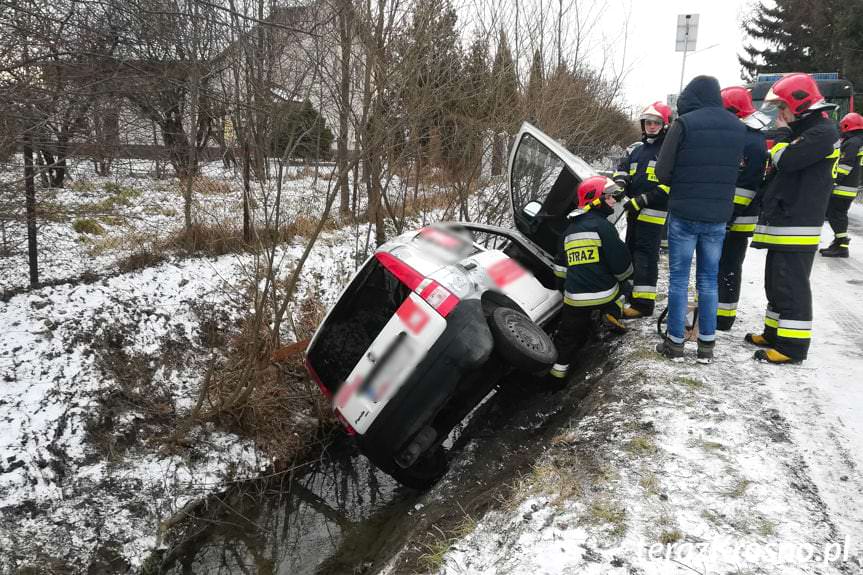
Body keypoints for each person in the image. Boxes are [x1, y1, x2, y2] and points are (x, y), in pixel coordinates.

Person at [746, 73, 840, 364]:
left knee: (792, 284)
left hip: (798, 221)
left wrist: (782, 138)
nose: (780, 114)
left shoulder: (822, 132)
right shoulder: (809, 130)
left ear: (799, 104)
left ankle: (792, 348)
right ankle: (774, 334)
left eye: (783, 107)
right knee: (776, 282)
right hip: (786, 220)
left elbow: (787, 161)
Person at [653, 75, 746, 363]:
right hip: (717, 217)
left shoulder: (684, 124)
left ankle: (676, 343)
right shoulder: (737, 127)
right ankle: (707, 345)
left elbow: (662, 172)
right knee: (708, 281)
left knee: (679, 280)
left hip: (684, 214)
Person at [549, 176, 633, 382]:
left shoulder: (567, 233)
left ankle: (555, 380)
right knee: (626, 283)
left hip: (574, 300)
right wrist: (626, 279)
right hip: (605, 294)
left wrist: (566, 291)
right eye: (610, 197)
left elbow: (560, 272)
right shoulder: (604, 227)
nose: (613, 201)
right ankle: (612, 311)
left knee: (567, 339)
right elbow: (621, 266)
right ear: (595, 199)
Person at [612, 101, 673, 319]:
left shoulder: (668, 151)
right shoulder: (637, 149)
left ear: (665, 125)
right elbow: (623, 170)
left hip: (653, 214)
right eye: (648, 122)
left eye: (656, 122)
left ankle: (644, 305)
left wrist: (642, 200)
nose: (652, 126)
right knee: (631, 254)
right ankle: (632, 295)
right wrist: (619, 186)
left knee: (645, 258)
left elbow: (669, 185)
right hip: (634, 213)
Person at [716, 86, 769, 330]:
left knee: (729, 264)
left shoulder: (751, 141)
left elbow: (746, 185)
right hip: (727, 213)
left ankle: (724, 316)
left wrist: (729, 215)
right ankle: (715, 309)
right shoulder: (741, 135)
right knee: (718, 263)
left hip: (738, 217)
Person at [820, 112, 863, 258]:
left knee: (836, 215)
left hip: (843, 187)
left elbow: (845, 165)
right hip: (850, 186)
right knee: (837, 214)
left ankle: (842, 245)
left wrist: (834, 180)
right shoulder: (858, 141)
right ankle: (839, 242)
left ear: (846, 125)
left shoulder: (852, 142)